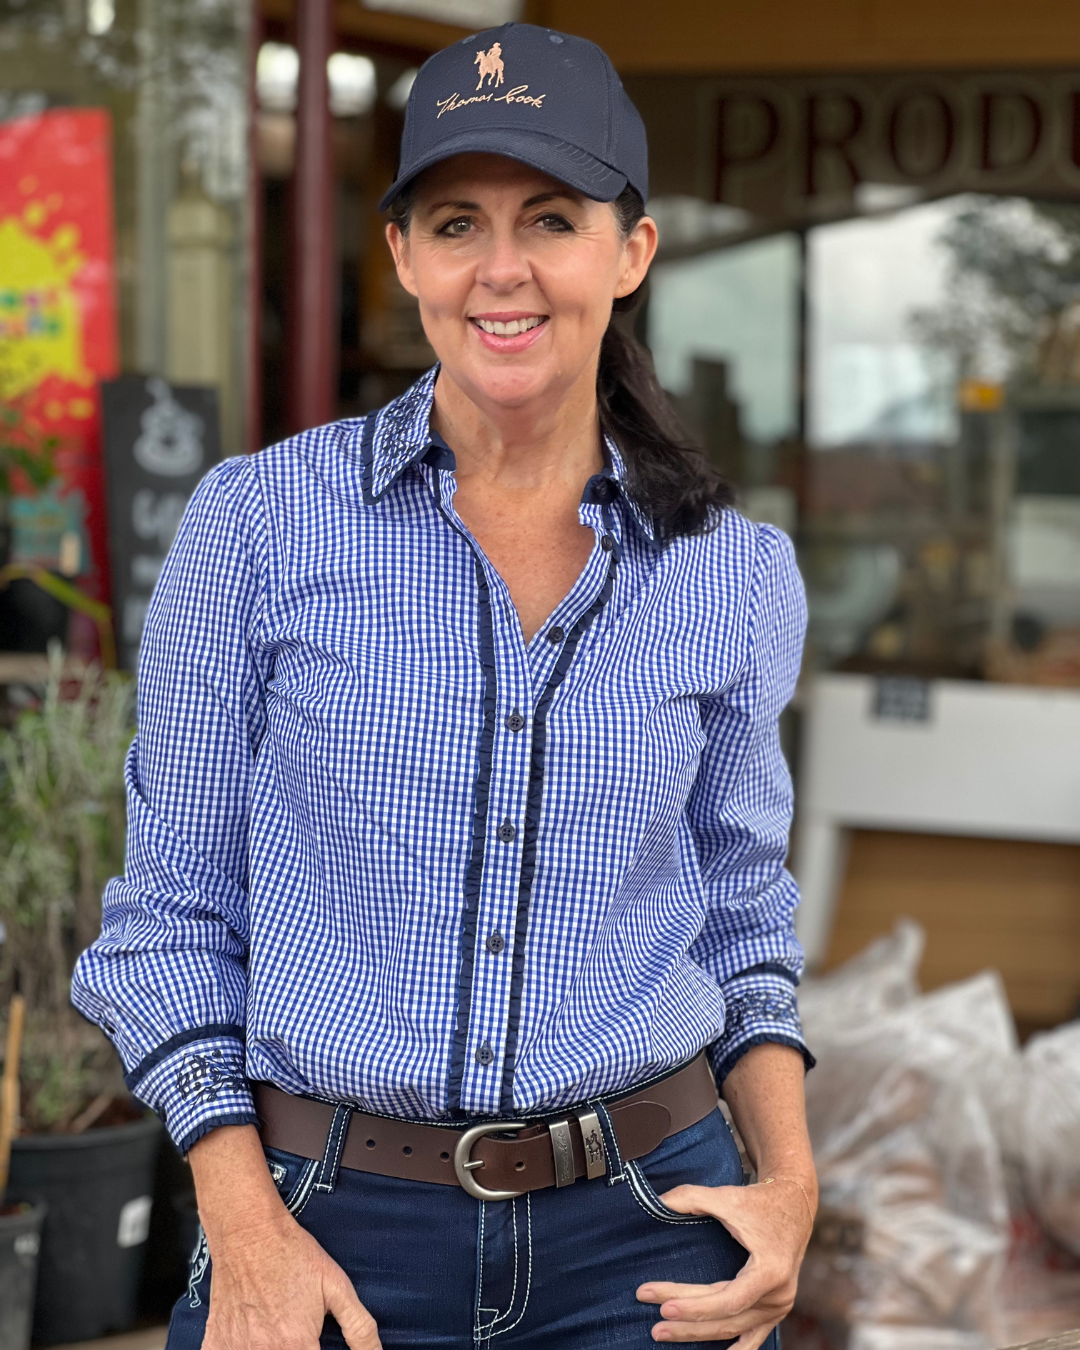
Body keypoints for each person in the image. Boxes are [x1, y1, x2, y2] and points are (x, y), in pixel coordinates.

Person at [73, 21, 817, 1350]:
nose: (502, 268)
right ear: (404, 254)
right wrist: (243, 1226)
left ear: (631, 252)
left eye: (552, 219)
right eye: (457, 223)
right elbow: (171, 914)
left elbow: (743, 912)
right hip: (322, 1225)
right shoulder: (258, 524)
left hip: (649, 1231)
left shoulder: (732, 571)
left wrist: (793, 1185)